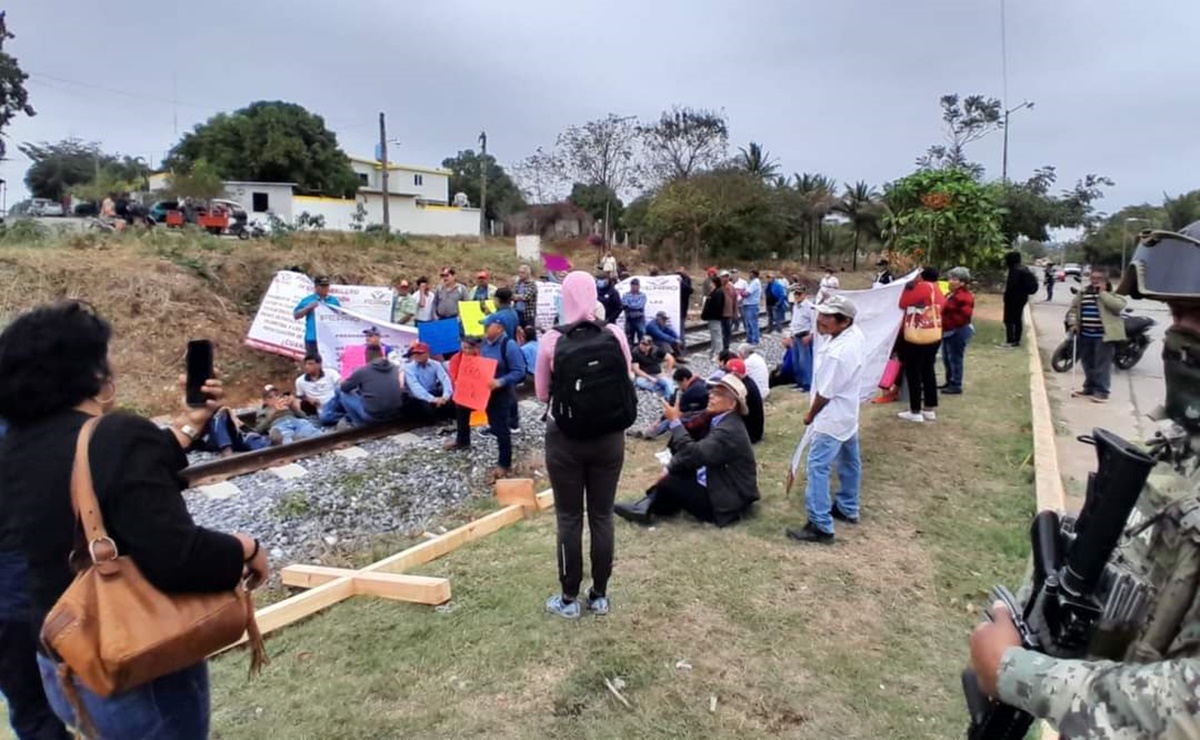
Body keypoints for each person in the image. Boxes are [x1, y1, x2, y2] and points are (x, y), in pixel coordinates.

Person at [967, 222, 1200, 738]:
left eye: (1198, 316)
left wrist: (1018, 673)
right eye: (1178, 312)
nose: (1179, 331)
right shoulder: (1176, 439)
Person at [0, 301, 268, 738]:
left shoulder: (16, 447)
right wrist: (245, 547)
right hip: (134, 658)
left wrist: (188, 425)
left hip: (64, 658)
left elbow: (101, 480)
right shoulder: (117, 434)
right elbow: (178, 557)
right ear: (89, 372)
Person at [535, 271, 633, 619]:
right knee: (603, 516)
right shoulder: (615, 334)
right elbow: (628, 377)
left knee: (569, 517)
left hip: (565, 441)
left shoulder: (551, 341)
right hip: (609, 439)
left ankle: (568, 598)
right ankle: (601, 595)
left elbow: (542, 393)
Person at [615, 374, 759, 527]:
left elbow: (693, 453)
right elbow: (691, 454)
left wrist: (674, 422)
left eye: (719, 394)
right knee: (678, 471)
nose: (711, 396)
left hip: (730, 500)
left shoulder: (728, 430)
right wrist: (671, 467)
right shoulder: (720, 420)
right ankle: (646, 505)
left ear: (732, 405)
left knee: (671, 482)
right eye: (712, 391)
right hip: (725, 484)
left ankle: (648, 508)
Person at [786, 295, 865, 544]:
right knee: (850, 461)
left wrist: (810, 415)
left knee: (817, 468)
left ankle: (821, 525)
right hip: (847, 414)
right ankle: (847, 506)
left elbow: (825, 393)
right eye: (820, 315)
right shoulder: (855, 335)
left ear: (844, 321)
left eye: (827, 317)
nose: (820, 320)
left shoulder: (838, 353)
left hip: (831, 417)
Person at [1067, 266, 1127, 404]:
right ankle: (1089, 387)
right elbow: (1073, 310)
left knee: (1102, 365)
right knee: (1087, 363)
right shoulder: (1083, 293)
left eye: (1098, 279)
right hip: (1085, 333)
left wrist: (1103, 293)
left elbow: (1118, 306)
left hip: (1103, 336)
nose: (1095, 281)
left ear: (1106, 280)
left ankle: (1102, 391)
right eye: (1093, 278)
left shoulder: (1112, 294)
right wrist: (1073, 324)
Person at [477, 319, 526, 480]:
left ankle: (504, 463)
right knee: (494, 424)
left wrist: (500, 381)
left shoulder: (508, 345)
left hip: (502, 392)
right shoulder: (484, 343)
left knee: (502, 428)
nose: (484, 328)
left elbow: (519, 371)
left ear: (499, 328)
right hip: (486, 391)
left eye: (488, 325)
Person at [896, 267, 946, 423]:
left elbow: (903, 303)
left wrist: (907, 289)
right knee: (928, 370)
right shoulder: (938, 289)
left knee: (914, 372)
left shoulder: (923, 287)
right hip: (933, 334)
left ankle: (915, 410)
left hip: (917, 335)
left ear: (922, 276)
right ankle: (929, 408)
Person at [334, 346, 405, 425]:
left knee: (340, 392)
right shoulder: (394, 368)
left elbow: (344, 388)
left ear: (366, 357)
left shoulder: (362, 371)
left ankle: (358, 424)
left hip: (372, 416)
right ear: (382, 355)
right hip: (395, 413)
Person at [633, 367, 708, 440]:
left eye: (679, 383)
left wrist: (658, 421)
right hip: (702, 411)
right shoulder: (699, 382)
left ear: (684, 379)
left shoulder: (690, 392)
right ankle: (649, 429)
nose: (680, 386)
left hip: (699, 415)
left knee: (671, 420)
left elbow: (675, 413)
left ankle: (648, 433)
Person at [940, 267, 976, 395]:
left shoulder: (964, 296)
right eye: (950, 278)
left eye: (954, 279)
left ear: (962, 282)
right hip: (948, 330)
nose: (950, 281)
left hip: (956, 331)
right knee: (947, 358)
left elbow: (965, 315)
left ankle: (956, 384)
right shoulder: (952, 294)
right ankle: (950, 381)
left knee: (955, 358)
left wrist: (951, 322)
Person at [402, 341, 454, 421]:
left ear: (427, 354)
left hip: (432, 391)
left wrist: (445, 397)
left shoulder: (436, 364)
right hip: (416, 397)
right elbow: (415, 387)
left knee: (452, 400)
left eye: (420, 353)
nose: (417, 356)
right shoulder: (408, 368)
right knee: (425, 408)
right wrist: (432, 399)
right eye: (415, 353)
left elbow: (445, 379)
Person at [293, 275, 341, 359]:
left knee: (330, 361)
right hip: (312, 338)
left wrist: (334, 311)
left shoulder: (334, 300)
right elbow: (296, 315)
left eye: (327, 286)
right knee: (313, 362)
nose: (325, 288)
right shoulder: (307, 300)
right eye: (322, 286)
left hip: (329, 338)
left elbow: (341, 317)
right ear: (316, 287)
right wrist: (308, 308)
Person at [254, 386, 322, 444]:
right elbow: (259, 429)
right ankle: (289, 440)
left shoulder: (286, 404)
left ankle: (302, 437)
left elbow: (304, 417)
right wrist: (271, 416)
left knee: (307, 426)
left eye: (277, 395)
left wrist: (293, 407)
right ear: (265, 401)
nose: (275, 398)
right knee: (285, 436)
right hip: (279, 425)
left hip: (295, 421)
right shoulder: (263, 411)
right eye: (270, 397)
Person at [1002, 250, 1038, 347]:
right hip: (1022, 298)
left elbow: (1011, 286)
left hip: (1013, 298)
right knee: (1017, 319)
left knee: (1009, 320)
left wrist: (1006, 296)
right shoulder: (1024, 269)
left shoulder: (1015, 270)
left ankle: (1011, 340)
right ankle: (1016, 340)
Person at [784, 284, 814, 392]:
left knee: (804, 361)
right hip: (795, 336)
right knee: (796, 361)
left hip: (804, 335)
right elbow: (794, 322)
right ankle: (799, 382)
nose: (797, 296)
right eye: (795, 293)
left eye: (799, 294)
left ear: (804, 294)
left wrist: (810, 336)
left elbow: (814, 323)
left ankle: (807, 384)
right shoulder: (795, 306)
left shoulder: (809, 307)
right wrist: (789, 335)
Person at [700, 274, 727, 361]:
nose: (710, 284)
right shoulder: (715, 292)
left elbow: (717, 306)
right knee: (714, 335)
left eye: (711, 283)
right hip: (712, 317)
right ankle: (713, 351)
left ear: (715, 283)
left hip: (715, 317)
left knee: (717, 336)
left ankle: (718, 354)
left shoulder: (718, 292)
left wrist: (708, 311)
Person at [622, 278, 648, 345]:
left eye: (636, 285)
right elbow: (624, 304)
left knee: (642, 336)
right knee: (628, 337)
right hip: (629, 318)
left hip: (639, 319)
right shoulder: (625, 295)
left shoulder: (643, 295)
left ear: (639, 286)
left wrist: (630, 305)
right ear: (630, 286)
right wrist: (632, 306)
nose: (634, 286)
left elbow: (640, 305)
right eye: (633, 285)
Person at [742, 269, 763, 344]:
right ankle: (750, 339)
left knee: (753, 324)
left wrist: (740, 292)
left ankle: (755, 340)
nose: (749, 275)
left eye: (750, 273)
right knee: (749, 324)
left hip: (752, 305)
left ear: (754, 274)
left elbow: (747, 294)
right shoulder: (753, 282)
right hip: (749, 305)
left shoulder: (755, 282)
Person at [720, 270, 737, 350]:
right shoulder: (718, 287)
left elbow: (735, 301)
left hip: (729, 313)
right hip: (719, 314)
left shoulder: (732, 287)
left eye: (727, 276)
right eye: (723, 277)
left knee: (728, 332)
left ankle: (726, 347)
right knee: (721, 332)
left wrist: (735, 313)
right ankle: (720, 347)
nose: (725, 278)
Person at [730, 269, 747, 333]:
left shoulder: (743, 282)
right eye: (732, 273)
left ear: (738, 274)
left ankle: (746, 327)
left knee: (743, 315)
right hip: (732, 302)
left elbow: (746, 292)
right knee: (733, 316)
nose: (733, 274)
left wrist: (742, 299)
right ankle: (735, 326)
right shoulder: (729, 282)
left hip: (741, 302)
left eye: (735, 273)